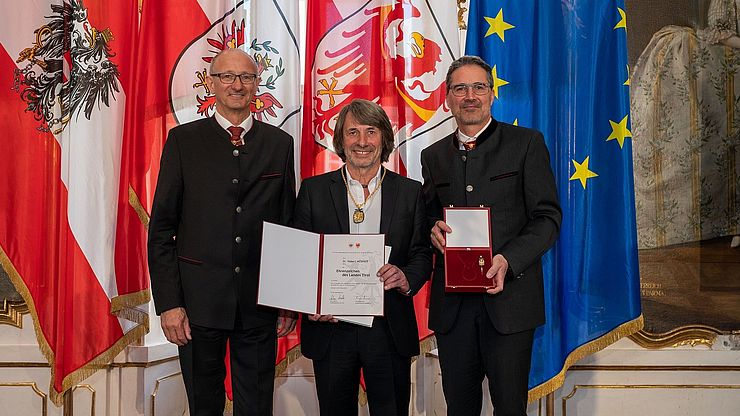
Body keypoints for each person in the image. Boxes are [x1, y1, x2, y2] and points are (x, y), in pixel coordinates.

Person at [148, 48, 297, 416]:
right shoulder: (183, 141)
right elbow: (162, 229)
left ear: (256, 84)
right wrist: (169, 304)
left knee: (257, 406)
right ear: (212, 83)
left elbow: (287, 226)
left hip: (260, 305)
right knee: (204, 405)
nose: (237, 84)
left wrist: (287, 301)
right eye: (227, 76)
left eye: (246, 77)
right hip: (197, 306)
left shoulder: (279, 144)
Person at [420, 55, 562, 416]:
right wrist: (431, 228)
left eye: (478, 87)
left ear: (492, 94)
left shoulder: (526, 144)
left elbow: (547, 218)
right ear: (447, 98)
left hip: (510, 304)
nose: (470, 96)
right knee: (459, 408)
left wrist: (508, 260)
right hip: (453, 310)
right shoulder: (432, 156)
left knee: (510, 408)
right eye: (460, 89)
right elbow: (428, 216)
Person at [294, 99, 432, 415]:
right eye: (352, 132)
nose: (362, 141)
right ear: (340, 140)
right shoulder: (314, 190)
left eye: (371, 132)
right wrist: (310, 300)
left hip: (389, 327)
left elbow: (421, 253)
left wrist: (406, 277)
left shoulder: (410, 192)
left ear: (384, 138)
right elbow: (299, 256)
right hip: (331, 328)